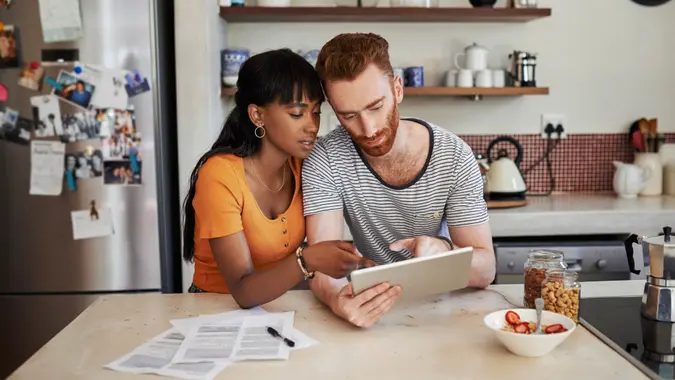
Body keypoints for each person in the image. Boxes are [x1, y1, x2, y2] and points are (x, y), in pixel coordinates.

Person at [302, 33, 496, 328]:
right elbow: (322, 264)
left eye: (375, 107)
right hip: (371, 309)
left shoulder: (454, 155)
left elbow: (486, 269)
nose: (367, 129)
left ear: (398, 89)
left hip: (440, 311)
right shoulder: (325, 159)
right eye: (349, 115)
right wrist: (337, 299)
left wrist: (445, 255)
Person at [181, 48, 373, 309]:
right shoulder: (219, 176)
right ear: (257, 115)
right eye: (297, 113)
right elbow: (243, 290)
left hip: (275, 308)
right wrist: (308, 259)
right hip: (213, 310)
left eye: (316, 112)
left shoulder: (304, 164)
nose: (312, 125)